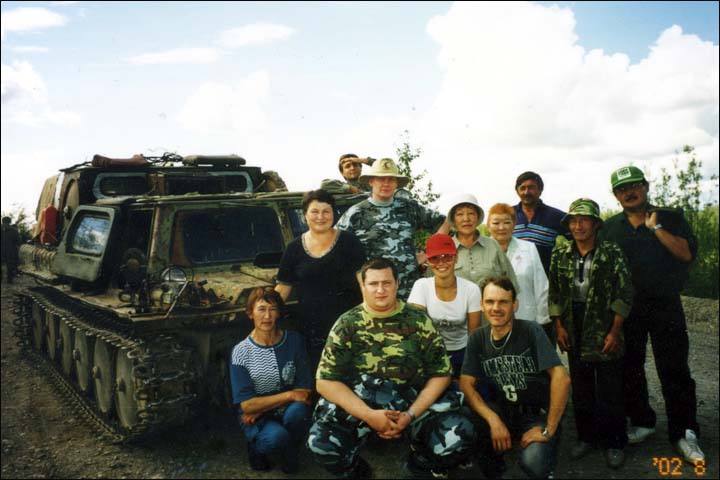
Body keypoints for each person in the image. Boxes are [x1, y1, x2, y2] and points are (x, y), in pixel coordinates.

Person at [307, 257, 475, 478]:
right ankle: (355, 469)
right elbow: (325, 381)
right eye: (373, 284)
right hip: (363, 404)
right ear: (362, 286)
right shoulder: (347, 324)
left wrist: (410, 415)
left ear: (397, 283)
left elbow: (441, 374)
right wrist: (369, 415)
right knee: (320, 443)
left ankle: (421, 463)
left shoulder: (418, 320)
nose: (380, 290)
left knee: (459, 435)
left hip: (412, 403)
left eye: (386, 283)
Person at [598, 165, 705, 463]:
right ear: (615, 195)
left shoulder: (670, 217)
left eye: (634, 186)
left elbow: (686, 254)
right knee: (630, 368)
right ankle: (643, 421)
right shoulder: (611, 227)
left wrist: (656, 228)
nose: (629, 193)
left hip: (665, 305)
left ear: (646, 186)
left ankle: (684, 432)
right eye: (621, 189)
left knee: (674, 370)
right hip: (626, 310)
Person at [548, 198, 633, 469]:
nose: (578, 225)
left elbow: (624, 291)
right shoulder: (560, 253)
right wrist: (559, 326)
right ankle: (586, 438)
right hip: (574, 324)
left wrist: (615, 331)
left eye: (584, 220)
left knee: (610, 388)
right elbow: (555, 292)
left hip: (605, 323)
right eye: (573, 220)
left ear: (596, 224)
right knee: (582, 386)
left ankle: (615, 442)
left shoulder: (611, 252)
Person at [460, 276, 571, 479]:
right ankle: (496, 468)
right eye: (490, 302)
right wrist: (493, 420)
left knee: (534, 463)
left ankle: (544, 462)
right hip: (503, 412)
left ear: (515, 305)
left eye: (503, 302)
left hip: (535, 415)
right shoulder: (478, 337)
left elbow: (562, 378)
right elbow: (466, 384)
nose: (496, 308)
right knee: (467, 423)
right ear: (482, 305)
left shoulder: (530, 330)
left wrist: (549, 429)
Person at [275, 189, 366, 370]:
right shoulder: (293, 248)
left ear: (334, 214)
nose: (320, 217)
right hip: (311, 331)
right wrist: (264, 312)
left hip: (350, 327)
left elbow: (365, 283)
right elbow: (283, 288)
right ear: (305, 215)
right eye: (314, 211)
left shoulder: (350, 242)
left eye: (326, 211)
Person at [336, 158, 449, 300]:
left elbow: (445, 222)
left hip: (409, 291)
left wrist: (428, 253)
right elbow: (336, 244)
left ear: (396, 183)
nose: (386, 184)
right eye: (380, 179)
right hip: (375, 294)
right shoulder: (355, 213)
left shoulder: (409, 208)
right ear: (371, 181)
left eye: (391, 179)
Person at [229, 287, 313, 473]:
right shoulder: (241, 352)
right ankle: (257, 446)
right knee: (275, 438)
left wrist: (262, 406)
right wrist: (290, 395)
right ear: (250, 313)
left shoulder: (294, 341)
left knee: (299, 413)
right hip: (257, 418)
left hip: (280, 409)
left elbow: (305, 389)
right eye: (261, 309)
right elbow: (247, 407)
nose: (267, 316)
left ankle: (290, 450)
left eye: (272, 309)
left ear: (279, 313)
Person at [408, 233, 482, 378]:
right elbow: (416, 331)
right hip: (430, 352)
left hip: (462, 351)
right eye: (434, 258)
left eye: (447, 257)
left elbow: (473, 336)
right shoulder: (421, 286)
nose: (441, 263)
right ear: (427, 261)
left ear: (456, 258)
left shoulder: (471, 289)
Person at [447, 194, 519, 292]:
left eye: (471, 213)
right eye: (460, 214)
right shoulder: (444, 248)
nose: (466, 219)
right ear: (453, 220)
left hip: (493, 307)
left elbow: (512, 284)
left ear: (478, 217)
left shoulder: (493, 245)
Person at [512, 171, 570, 275]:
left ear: (540, 190)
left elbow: (578, 238)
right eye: (522, 188)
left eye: (531, 187)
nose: (526, 192)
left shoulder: (555, 216)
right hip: (513, 280)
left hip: (545, 279)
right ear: (517, 191)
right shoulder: (508, 215)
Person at [1, 216, 21, 284]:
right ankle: (9, 279)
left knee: (8, 265)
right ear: (10, 222)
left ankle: (5, 279)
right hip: (10, 251)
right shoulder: (14, 231)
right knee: (10, 265)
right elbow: (18, 241)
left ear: (2, 221)